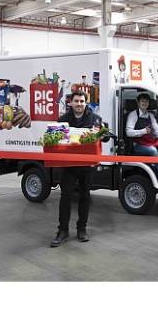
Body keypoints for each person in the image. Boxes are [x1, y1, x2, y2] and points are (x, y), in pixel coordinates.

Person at [50, 91, 104, 248]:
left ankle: (82, 229)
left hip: (87, 165)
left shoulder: (95, 119)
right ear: (71, 103)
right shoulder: (63, 120)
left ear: (85, 103)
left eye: (82, 101)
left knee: (84, 196)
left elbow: (104, 137)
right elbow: (55, 139)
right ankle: (62, 231)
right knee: (65, 197)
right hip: (68, 165)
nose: (79, 104)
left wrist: (101, 133)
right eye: (76, 101)